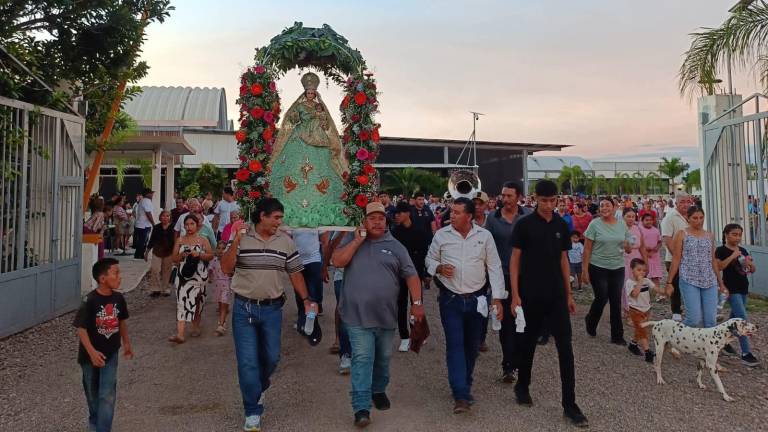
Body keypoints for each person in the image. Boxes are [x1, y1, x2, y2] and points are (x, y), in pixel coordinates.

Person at [220, 198, 313, 432]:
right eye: (276, 218)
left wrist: (306, 301)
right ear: (262, 216)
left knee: (272, 358)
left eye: (281, 218)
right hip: (244, 309)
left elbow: (295, 274)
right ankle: (252, 410)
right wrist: (237, 241)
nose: (279, 222)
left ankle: (259, 386)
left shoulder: (285, 241)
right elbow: (225, 268)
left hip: (272, 310)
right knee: (247, 362)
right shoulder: (241, 236)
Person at [332, 202, 424, 428]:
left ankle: (379, 389)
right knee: (362, 359)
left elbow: (411, 275)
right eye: (371, 218)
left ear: (386, 221)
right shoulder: (352, 240)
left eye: (380, 218)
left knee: (382, 358)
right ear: (363, 221)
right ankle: (361, 407)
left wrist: (417, 303)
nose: (376, 222)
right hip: (357, 316)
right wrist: (357, 240)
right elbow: (337, 261)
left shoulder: (395, 245)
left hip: (386, 316)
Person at [509, 180, 588, 428]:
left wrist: (569, 294)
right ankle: (523, 385)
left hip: (556, 296)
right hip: (530, 295)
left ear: (557, 200)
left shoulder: (561, 225)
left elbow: (564, 259)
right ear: (535, 199)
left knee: (565, 349)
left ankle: (570, 404)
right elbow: (515, 261)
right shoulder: (524, 225)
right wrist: (515, 295)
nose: (548, 205)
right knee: (528, 344)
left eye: (552, 200)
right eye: (543, 200)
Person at [426, 197, 505, 414]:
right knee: (455, 345)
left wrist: (497, 298)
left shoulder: (485, 236)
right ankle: (460, 394)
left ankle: (464, 381)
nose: (452, 215)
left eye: (457, 212)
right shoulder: (441, 235)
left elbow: (495, 267)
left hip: (478, 300)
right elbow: (429, 260)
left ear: (469, 216)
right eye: (451, 212)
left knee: (472, 346)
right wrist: (439, 268)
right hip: (450, 300)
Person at [268, 72, 349, 227]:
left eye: (313, 93)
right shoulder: (299, 106)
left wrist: (322, 118)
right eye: (308, 93)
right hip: (299, 136)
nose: (311, 95)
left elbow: (326, 125)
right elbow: (291, 119)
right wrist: (294, 117)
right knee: (292, 166)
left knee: (323, 167)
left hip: (318, 138)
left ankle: (322, 202)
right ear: (305, 93)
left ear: (315, 93)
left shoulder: (320, 107)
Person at [73, 258, 133, 432]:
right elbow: (81, 329)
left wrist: (126, 344)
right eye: (116, 273)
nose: (120, 277)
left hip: (111, 354)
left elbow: (121, 322)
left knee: (107, 395)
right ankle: (94, 424)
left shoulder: (119, 298)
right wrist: (92, 353)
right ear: (102, 278)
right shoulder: (89, 300)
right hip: (88, 357)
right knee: (92, 397)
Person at [484, 180, 530, 383]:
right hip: (501, 277)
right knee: (505, 322)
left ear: (519, 197)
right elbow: (486, 247)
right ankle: (508, 365)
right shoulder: (492, 219)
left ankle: (521, 361)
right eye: (503, 195)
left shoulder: (528, 216)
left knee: (522, 319)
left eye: (510, 195)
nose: (505, 199)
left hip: (525, 276)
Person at [666, 206, 725, 329]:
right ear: (688, 218)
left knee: (710, 321)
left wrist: (721, 283)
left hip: (709, 280)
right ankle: (675, 337)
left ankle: (704, 346)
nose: (699, 221)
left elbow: (713, 260)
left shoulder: (710, 235)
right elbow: (676, 258)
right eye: (695, 218)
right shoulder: (682, 234)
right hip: (689, 279)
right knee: (693, 318)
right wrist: (669, 281)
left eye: (701, 217)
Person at [583, 197, 631, 345]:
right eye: (602, 205)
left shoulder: (622, 224)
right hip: (598, 267)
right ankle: (591, 321)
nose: (604, 208)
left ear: (614, 207)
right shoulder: (594, 224)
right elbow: (587, 248)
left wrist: (627, 245)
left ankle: (617, 336)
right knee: (601, 297)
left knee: (615, 301)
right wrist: (585, 269)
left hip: (617, 267)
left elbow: (628, 247)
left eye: (607, 205)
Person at [716, 224, 760, 367]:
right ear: (726, 235)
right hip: (731, 289)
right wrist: (732, 256)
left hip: (743, 288)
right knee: (742, 319)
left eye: (739, 235)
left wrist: (749, 264)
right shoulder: (721, 250)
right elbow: (719, 267)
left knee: (733, 318)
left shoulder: (743, 250)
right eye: (734, 234)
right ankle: (746, 353)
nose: (737, 237)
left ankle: (723, 341)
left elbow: (752, 269)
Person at [391, 201, 431, 352]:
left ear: (407, 213)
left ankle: (419, 332)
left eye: (399, 213)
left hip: (415, 273)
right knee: (400, 305)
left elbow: (425, 253)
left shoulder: (420, 230)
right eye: (395, 213)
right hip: (399, 274)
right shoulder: (395, 232)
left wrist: (426, 274)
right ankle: (404, 337)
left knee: (417, 303)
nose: (397, 216)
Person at [169, 215, 214, 343]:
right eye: (187, 224)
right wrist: (182, 255)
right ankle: (180, 334)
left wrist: (199, 254)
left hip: (199, 275)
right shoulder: (180, 240)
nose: (189, 227)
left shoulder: (203, 240)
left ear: (197, 225)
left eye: (192, 224)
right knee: (181, 302)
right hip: (183, 276)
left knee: (197, 301)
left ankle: (195, 326)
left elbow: (211, 255)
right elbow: (173, 258)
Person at [661, 192, 692, 321]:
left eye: (687, 202)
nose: (685, 204)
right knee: (675, 284)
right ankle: (676, 311)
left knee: (690, 285)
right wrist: (677, 257)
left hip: (691, 259)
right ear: (676, 203)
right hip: (673, 258)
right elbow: (667, 239)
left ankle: (691, 309)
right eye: (682, 202)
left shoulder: (692, 216)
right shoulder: (670, 217)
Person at [291, 229, 325, 345]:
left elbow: (324, 241)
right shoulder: (293, 215)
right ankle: (302, 317)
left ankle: (312, 323)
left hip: (314, 259)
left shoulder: (316, 214)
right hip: (297, 260)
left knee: (312, 293)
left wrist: (324, 265)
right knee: (300, 293)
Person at [625, 258, 657, 362]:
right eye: (639, 270)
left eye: (644, 270)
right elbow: (634, 295)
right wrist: (639, 282)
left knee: (641, 329)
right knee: (642, 330)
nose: (642, 272)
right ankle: (648, 353)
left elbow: (655, 289)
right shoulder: (629, 283)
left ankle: (633, 344)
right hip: (635, 310)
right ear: (632, 270)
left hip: (646, 309)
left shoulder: (646, 281)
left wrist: (665, 291)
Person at [145, 210, 175, 297]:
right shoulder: (156, 227)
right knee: (155, 269)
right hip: (157, 251)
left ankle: (165, 289)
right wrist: (147, 252)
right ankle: (155, 289)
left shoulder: (173, 227)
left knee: (167, 271)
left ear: (170, 218)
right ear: (160, 217)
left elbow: (176, 240)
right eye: (163, 216)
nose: (165, 218)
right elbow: (152, 240)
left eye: (167, 216)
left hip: (169, 251)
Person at [622, 207, 648, 311]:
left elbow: (642, 247)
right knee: (626, 284)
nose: (631, 219)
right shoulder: (619, 228)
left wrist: (646, 263)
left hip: (636, 258)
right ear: (623, 217)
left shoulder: (638, 228)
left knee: (637, 283)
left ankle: (637, 308)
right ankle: (626, 308)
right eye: (628, 216)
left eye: (633, 216)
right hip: (624, 259)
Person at [209, 241, 232, 336]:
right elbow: (210, 270)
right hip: (217, 285)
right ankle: (223, 316)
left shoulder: (228, 260)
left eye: (223, 248)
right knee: (220, 304)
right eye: (219, 248)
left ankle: (221, 325)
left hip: (226, 285)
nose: (221, 250)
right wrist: (210, 277)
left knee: (223, 303)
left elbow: (232, 271)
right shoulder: (213, 260)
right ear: (216, 249)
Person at [638, 213, 663, 297]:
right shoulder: (639, 229)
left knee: (655, 276)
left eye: (650, 220)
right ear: (642, 221)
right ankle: (642, 294)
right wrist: (645, 250)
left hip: (655, 257)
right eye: (647, 220)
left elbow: (660, 242)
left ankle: (658, 294)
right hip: (643, 257)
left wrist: (657, 247)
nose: (649, 222)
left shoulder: (656, 230)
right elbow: (638, 243)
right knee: (642, 275)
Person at [132, 189, 155, 260]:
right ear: (147, 194)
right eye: (151, 193)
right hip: (144, 225)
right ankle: (139, 254)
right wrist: (153, 223)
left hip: (142, 224)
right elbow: (148, 213)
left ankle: (139, 254)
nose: (152, 195)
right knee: (143, 241)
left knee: (142, 240)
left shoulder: (143, 201)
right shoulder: (146, 201)